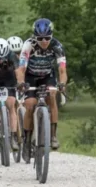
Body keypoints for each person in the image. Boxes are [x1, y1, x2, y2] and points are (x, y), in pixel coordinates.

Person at [15, 18, 68, 150]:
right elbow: (21, 69)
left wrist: (62, 84)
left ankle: (53, 136)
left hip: (47, 76)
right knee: (30, 105)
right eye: (40, 38)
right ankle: (27, 139)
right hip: (30, 76)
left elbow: (62, 70)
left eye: (47, 38)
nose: (44, 41)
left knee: (52, 96)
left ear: (51, 35)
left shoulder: (57, 46)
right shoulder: (28, 45)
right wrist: (21, 82)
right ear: (35, 37)